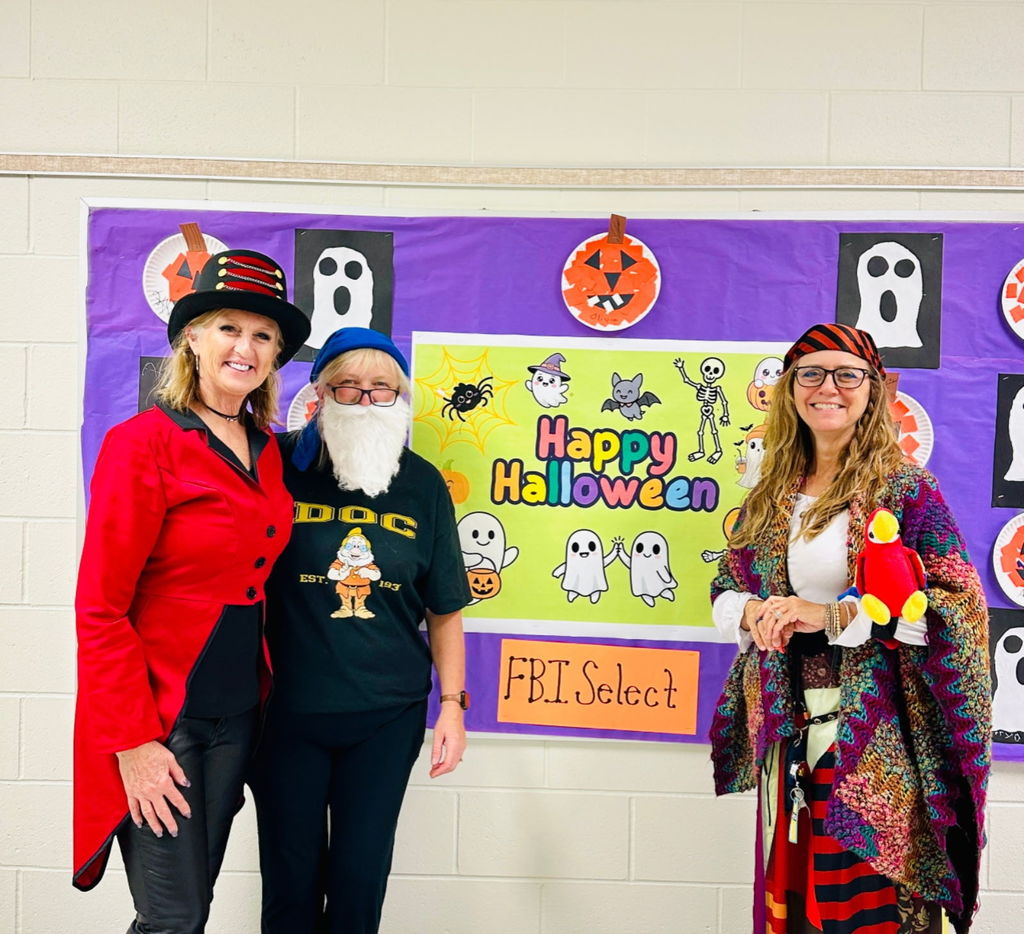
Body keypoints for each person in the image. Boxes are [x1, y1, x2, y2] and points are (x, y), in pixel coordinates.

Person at [708, 323, 991, 934]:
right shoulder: (770, 494)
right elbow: (725, 589)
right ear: (789, 390)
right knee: (800, 911)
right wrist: (753, 610)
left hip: (873, 739)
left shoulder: (906, 489)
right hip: (788, 731)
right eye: (810, 374)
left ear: (873, 391)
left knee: (869, 911)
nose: (827, 388)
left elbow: (958, 604)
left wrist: (835, 614)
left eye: (847, 375)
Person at [73, 249, 311, 934]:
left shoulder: (267, 450)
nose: (246, 346)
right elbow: (99, 607)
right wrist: (134, 743)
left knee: (188, 911)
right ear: (193, 339)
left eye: (263, 336)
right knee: (172, 917)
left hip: (236, 718)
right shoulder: (140, 443)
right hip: (159, 720)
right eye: (228, 328)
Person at [249, 326, 470, 934]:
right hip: (284, 714)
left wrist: (451, 706)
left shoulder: (423, 486)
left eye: (381, 389)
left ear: (399, 399)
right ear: (319, 394)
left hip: (385, 714)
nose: (365, 400)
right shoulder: (273, 466)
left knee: (359, 880)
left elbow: (445, 609)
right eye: (347, 387)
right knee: (289, 885)